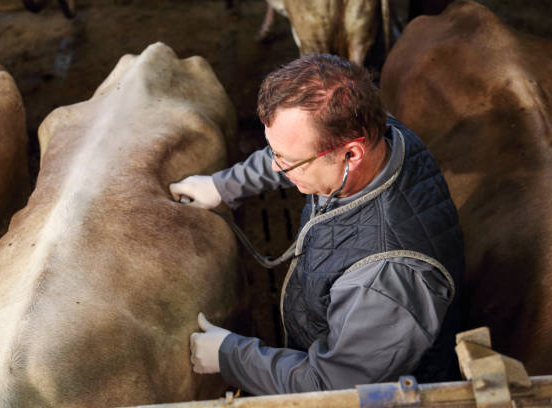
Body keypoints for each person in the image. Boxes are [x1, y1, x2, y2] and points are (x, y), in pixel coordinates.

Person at [169, 53, 464, 395]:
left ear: (352, 154)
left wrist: (231, 358)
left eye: (290, 162)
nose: (278, 168)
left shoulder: (387, 279)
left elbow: (331, 385)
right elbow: (294, 151)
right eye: (274, 151)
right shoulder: (374, 130)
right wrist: (224, 186)